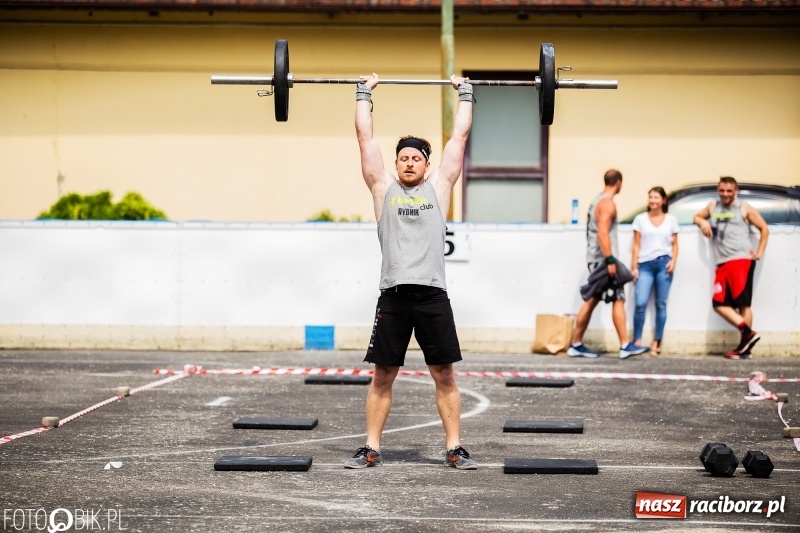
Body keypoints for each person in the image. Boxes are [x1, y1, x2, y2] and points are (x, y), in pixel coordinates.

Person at [344, 73, 478, 470]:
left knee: (445, 375)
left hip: (433, 295)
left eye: (415, 158)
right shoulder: (382, 189)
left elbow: (459, 140)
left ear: (426, 164)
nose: (407, 162)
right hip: (395, 295)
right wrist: (364, 92)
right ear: (396, 162)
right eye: (402, 157)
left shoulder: (438, 188)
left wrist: (465, 93)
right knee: (383, 376)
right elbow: (365, 140)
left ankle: (454, 449)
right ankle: (371, 448)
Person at [568, 169, 649, 359]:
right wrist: (611, 260)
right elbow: (602, 233)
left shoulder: (597, 200)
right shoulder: (607, 204)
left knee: (603, 298)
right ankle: (622, 345)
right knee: (609, 298)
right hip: (604, 260)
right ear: (619, 183)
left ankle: (579, 343)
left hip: (598, 258)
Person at [693, 176, 769, 359]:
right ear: (718, 191)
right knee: (719, 303)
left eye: (729, 191)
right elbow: (696, 216)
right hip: (721, 263)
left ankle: (745, 349)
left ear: (736, 191)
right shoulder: (713, 206)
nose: (725, 194)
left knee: (743, 304)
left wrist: (759, 252)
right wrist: (703, 222)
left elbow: (764, 229)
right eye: (722, 190)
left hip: (740, 260)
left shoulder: (744, 208)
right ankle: (747, 333)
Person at [630, 187, 679, 355]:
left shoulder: (671, 220)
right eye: (650, 197)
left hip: (664, 263)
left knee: (661, 304)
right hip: (645, 264)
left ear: (663, 200)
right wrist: (634, 266)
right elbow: (636, 244)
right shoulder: (640, 219)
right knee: (640, 303)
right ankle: (636, 340)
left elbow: (675, 244)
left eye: (656, 197)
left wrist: (673, 261)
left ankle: (657, 341)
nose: (652, 200)